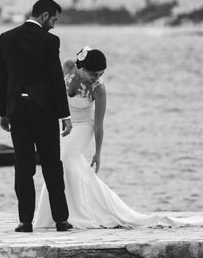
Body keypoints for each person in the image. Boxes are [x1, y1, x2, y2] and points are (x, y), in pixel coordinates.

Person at [34, 47, 203, 229]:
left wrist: (98, 153)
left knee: (65, 159)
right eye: (93, 73)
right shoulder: (68, 66)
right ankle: (57, 214)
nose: (97, 77)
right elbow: (53, 92)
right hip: (65, 122)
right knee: (62, 163)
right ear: (82, 67)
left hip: (84, 125)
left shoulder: (99, 89)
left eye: (100, 74)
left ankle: (77, 214)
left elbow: (99, 124)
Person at [0, 0, 73, 232]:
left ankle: (25, 221)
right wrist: (64, 115)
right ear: (45, 15)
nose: (55, 25)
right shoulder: (50, 41)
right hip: (44, 111)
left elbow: (0, 76)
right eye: (54, 19)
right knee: (51, 164)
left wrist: (3, 111)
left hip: (17, 109)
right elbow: (55, 79)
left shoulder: (6, 38)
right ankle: (61, 220)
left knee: (23, 165)